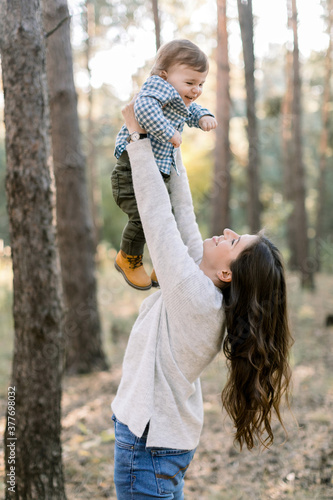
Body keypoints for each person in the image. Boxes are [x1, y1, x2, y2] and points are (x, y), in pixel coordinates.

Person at [111, 100, 293, 499]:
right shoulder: (203, 286)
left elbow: (159, 219)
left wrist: (140, 141)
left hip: (147, 444)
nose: (225, 230)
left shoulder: (193, 294)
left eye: (233, 240)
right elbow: (184, 214)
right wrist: (170, 144)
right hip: (158, 438)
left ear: (227, 273)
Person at [111, 39, 217, 291]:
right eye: (190, 83)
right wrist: (168, 131)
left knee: (165, 217)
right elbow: (144, 109)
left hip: (156, 171)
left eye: (200, 84)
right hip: (130, 173)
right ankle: (127, 257)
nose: (196, 89)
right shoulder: (155, 89)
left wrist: (203, 116)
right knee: (142, 217)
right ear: (163, 75)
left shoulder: (175, 95)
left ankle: (165, 261)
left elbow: (189, 111)